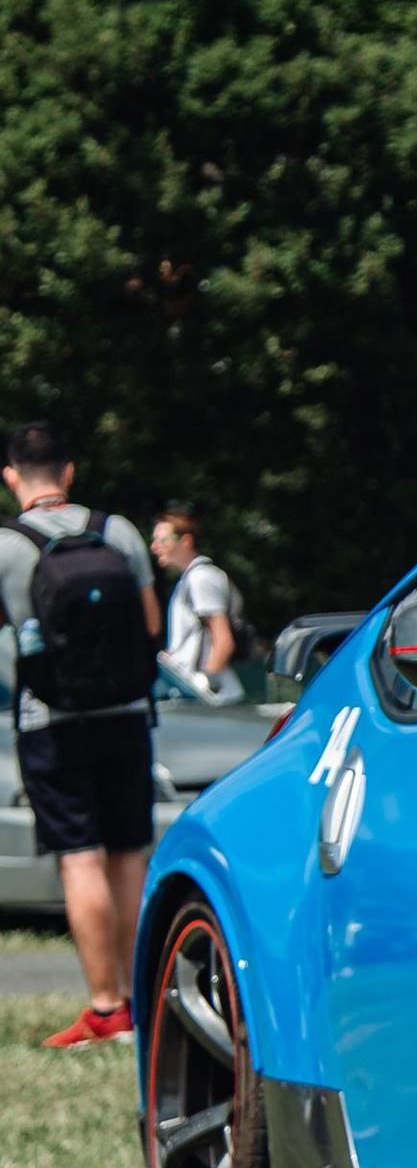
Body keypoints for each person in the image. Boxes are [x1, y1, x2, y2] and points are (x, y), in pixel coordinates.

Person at [1, 420, 163, 1048]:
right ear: (68, 473)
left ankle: (106, 1009)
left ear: (12, 476)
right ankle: (143, 1000)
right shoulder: (115, 530)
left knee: (81, 858)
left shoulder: (10, 546)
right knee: (129, 854)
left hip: (53, 722)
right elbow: (150, 625)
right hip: (127, 714)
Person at [150, 501, 244, 703]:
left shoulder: (201, 577)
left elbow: (223, 641)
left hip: (210, 700)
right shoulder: (187, 580)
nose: (155, 547)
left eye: (162, 540)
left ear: (185, 541)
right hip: (192, 697)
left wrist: (206, 684)